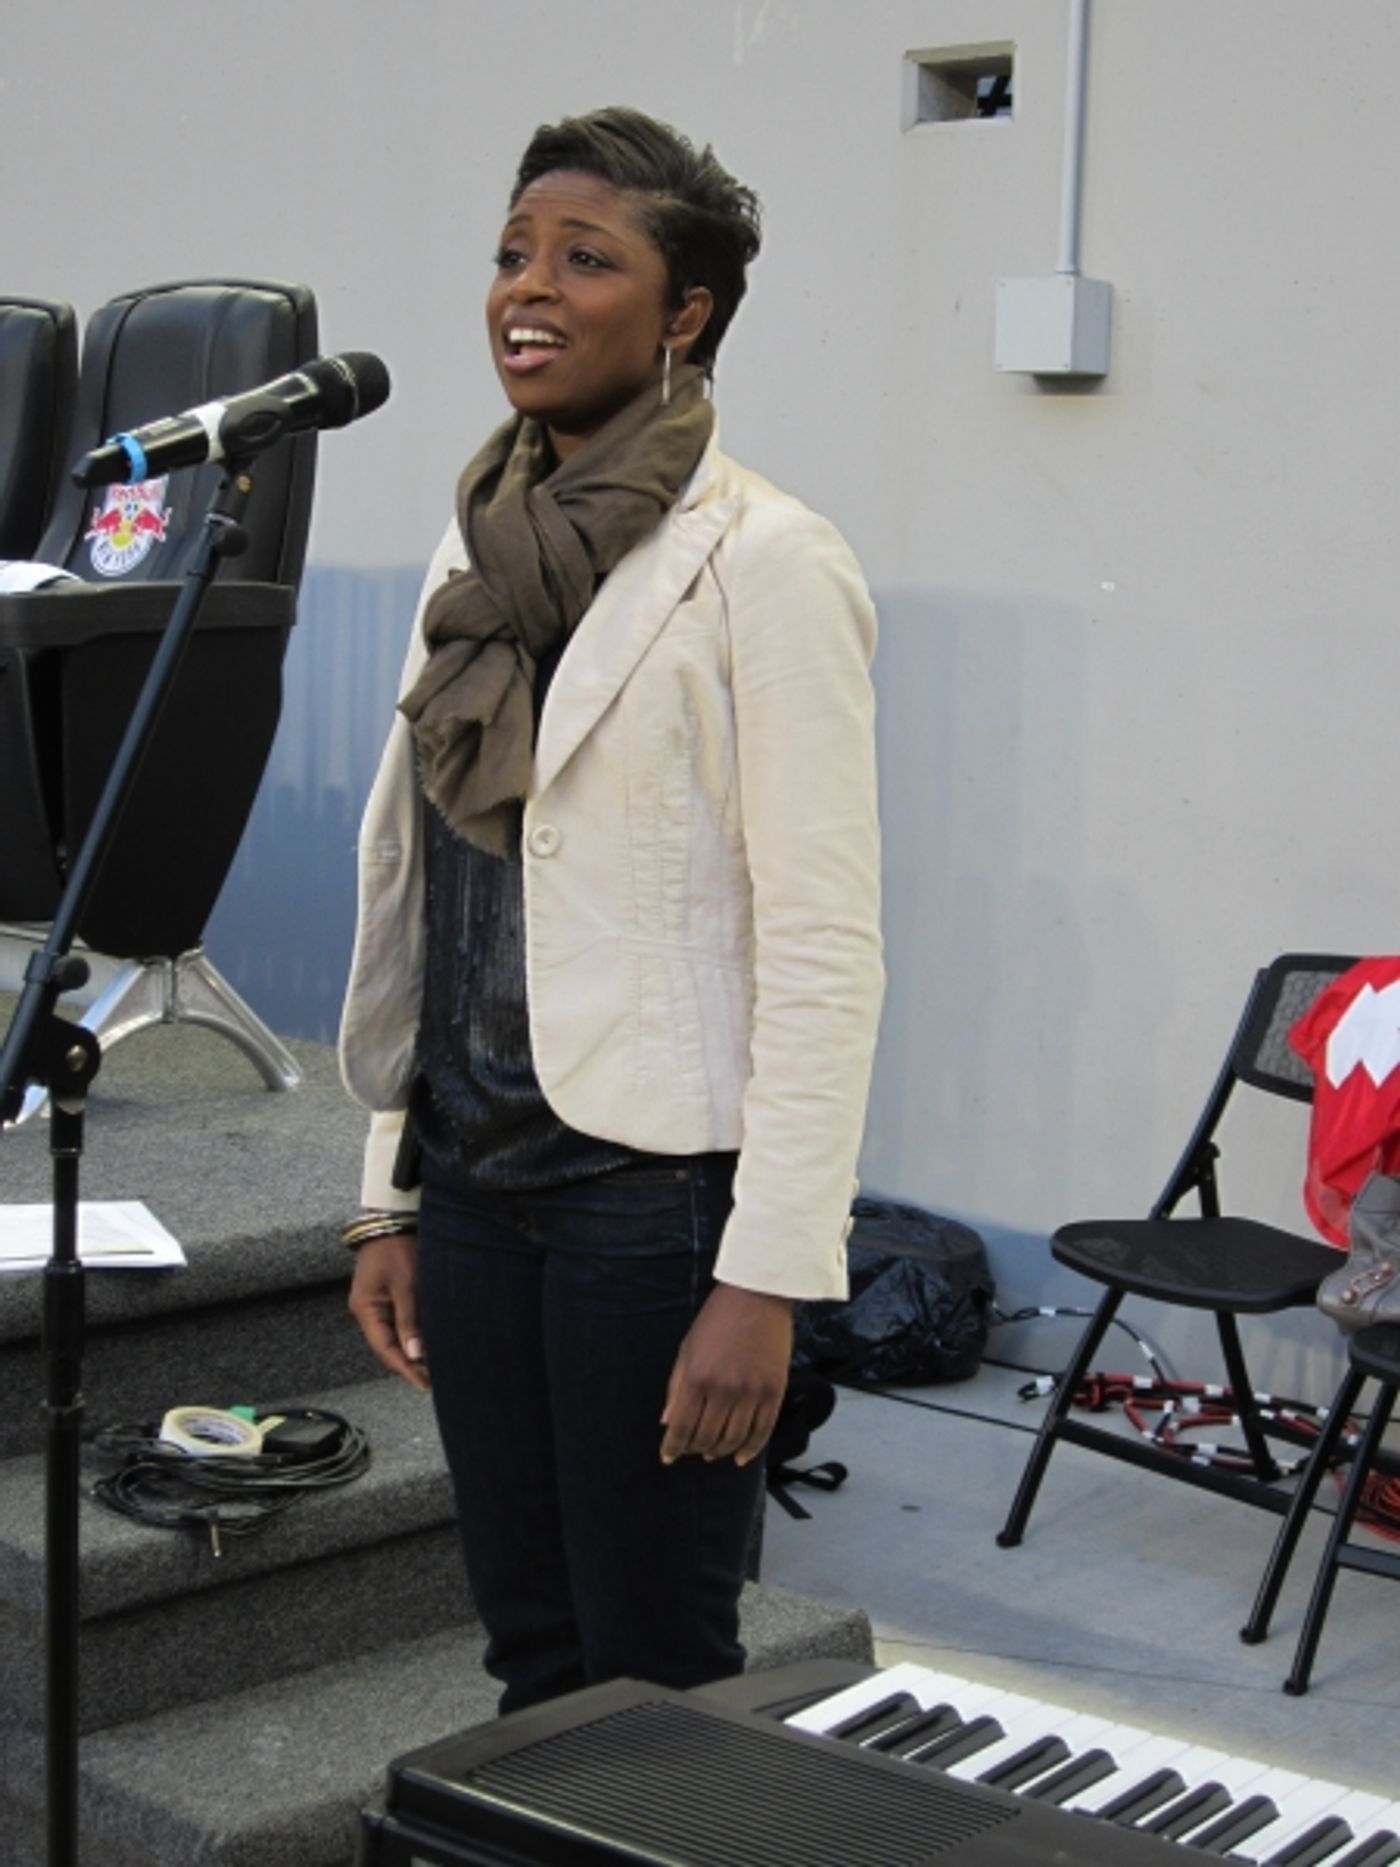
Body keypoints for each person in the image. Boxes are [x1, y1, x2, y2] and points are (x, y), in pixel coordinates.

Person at [339, 105, 883, 1715]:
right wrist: (393, 1186)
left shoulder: (767, 561)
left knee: (659, 1675)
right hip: (479, 1169)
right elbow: (439, 882)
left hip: (652, 1211)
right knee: (531, 1650)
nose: (532, 286)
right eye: (515, 252)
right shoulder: (478, 540)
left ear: (685, 312)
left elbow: (824, 944)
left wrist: (768, 1275)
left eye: (588, 259)